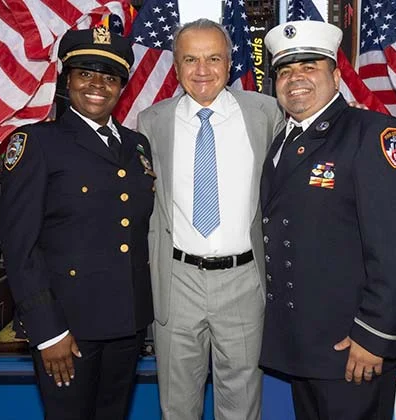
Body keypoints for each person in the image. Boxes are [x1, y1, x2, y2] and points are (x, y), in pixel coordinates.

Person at [259, 20, 396, 419]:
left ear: (335, 75)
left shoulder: (373, 133)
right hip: (303, 344)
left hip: (352, 346)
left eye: (309, 67)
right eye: (284, 70)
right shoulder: (283, 141)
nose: (295, 78)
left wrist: (375, 337)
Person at [0, 26, 154, 420]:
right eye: (85, 73)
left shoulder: (137, 145)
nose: (97, 85)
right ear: (67, 79)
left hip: (126, 324)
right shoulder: (37, 143)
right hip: (67, 327)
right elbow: (20, 248)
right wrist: (47, 330)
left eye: (109, 77)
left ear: (122, 86)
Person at [137, 19, 284, 420]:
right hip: (176, 280)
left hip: (243, 279)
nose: (202, 70)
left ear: (230, 61)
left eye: (213, 58)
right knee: (177, 406)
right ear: (176, 65)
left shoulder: (267, 113)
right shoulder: (151, 123)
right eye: (191, 59)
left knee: (241, 405)